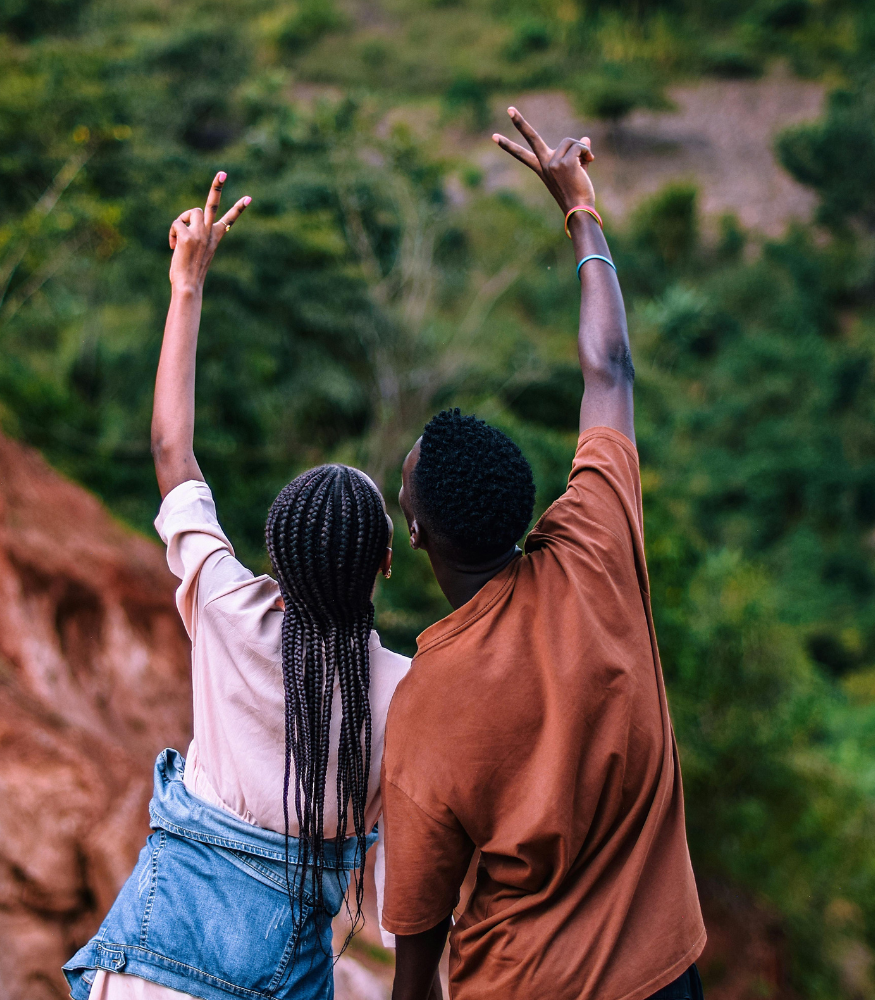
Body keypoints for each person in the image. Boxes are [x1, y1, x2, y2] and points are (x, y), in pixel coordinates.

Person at [381, 109, 706, 1000]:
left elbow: (416, 952)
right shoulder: (596, 544)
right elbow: (610, 371)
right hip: (666, 976)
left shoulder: (428, 704)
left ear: (417, 536)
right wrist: (580, 208)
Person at [63, 173, 410, 1000]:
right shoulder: (409, 692)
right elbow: (406, 906)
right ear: (387, 566)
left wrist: (188, 284)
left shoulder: (226, 607)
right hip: (274, 978)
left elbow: (171, 452)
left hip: (147, 957)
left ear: (274, 562)